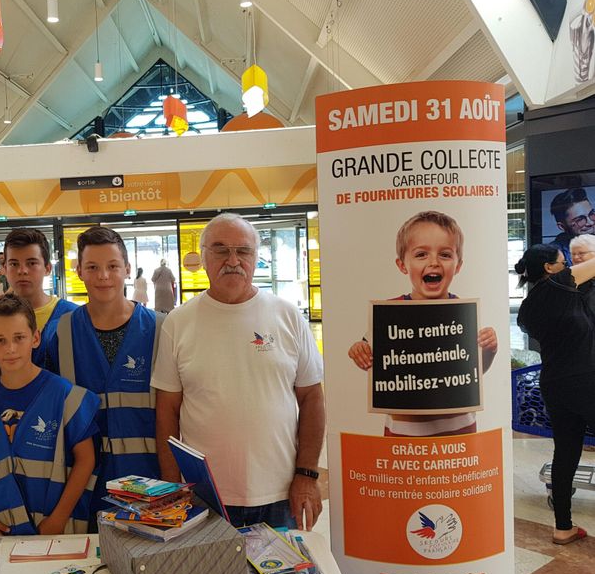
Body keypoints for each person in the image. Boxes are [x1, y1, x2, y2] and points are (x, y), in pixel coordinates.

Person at [152, 213, 325, 529]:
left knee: (285, 565)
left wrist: (307, 475)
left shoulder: (287, 316)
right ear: (204, 257)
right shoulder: (178, 323)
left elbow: (312, 398)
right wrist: (172, 483)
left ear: (256, 257)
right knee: (208, 565)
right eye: (220, 250)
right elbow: (167, 411)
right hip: (204, 495)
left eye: (243, 251)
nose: (233, 261)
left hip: (279, 493)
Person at [47, 227, 163, 524]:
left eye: (112, 266)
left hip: (151, 482)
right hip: (86, 485)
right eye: (92, 267)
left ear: (127, 269)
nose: (103, 276)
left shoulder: (160, 329)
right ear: (79, 272)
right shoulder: (63, 333)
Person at [347, 211, 498, 436]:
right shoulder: (390, 313)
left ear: (458, 265)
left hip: (459, 431)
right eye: (421, 254)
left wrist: (489, 350)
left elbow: (473, 372)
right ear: (402, 265)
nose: (433, 262)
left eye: (445, 255)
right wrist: (359, 350)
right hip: (404, 432)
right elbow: (370, 356)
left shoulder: (462, 312)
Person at [0, 295, 99, 535]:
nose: (10, 349)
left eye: (19, 338)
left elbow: (86, 460)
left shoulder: (65, 396)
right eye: (0, 340)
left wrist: (58, 518)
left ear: (35, 338)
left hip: (55, 529)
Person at [516, 243, 595, 545]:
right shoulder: (559, 285)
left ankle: (563, 527)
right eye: (565, 261)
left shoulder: (528, 306)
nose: (570, 265)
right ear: (549, 268)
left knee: (565, 453)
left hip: (554, 384)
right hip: (585, 381)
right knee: (566, 454)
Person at [0, 228, 76, 369]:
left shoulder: (72, 316)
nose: (22, 271)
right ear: (4, 269)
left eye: (31, 263)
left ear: (47, 268)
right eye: (14, 264)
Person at [548, 188, 595, 264]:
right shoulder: (553, 255)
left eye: (591, 214)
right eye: (580, 219)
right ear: (562, 227)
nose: (591, 222)